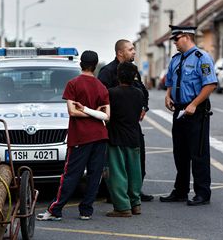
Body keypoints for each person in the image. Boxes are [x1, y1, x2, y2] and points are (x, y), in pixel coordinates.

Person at [37, 50, 110, 221]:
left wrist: (84, 110)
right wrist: (94, 113)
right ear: (96, 65)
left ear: (81, 64)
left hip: (81, 136)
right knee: (94, 174)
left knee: (71, 174)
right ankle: (86, 210)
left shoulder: (73, 84)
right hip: (100, 136)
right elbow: (107, 116)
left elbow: (72, 112)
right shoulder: (102, 87)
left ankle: (56, 210)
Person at [160, 25, 217, 206]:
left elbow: (210, 84)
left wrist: (193, 104)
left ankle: (202, 193)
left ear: (185, 37)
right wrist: (168, 95)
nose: (174, 43)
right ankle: (181, 191)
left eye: (176, 39)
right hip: (179, 110)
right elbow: (170, 80)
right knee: (180, 153)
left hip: (196, 111)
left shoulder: (202, 58)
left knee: (198, 153)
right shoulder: (176, 59)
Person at [98, 39, 153, 202]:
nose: (134, 52)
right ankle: (112, 193)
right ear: (120, 53)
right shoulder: (107, 71)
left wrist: (144, 108)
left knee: (137, 161)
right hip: (114, 125)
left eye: (134, 49)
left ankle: (135, 192)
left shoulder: (133, 71)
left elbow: (143, 91)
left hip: (132, 124)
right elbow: (102, 97)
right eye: (130, 49)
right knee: (115, 164)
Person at [105, 62, 144, 217]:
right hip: (134, 137)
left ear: (118, 75)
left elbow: (107, 115)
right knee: (135, 172)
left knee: (118, 173)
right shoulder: (139, 93)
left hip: (116, 137)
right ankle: (136, 204)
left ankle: (122, 207)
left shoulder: (111, 93)